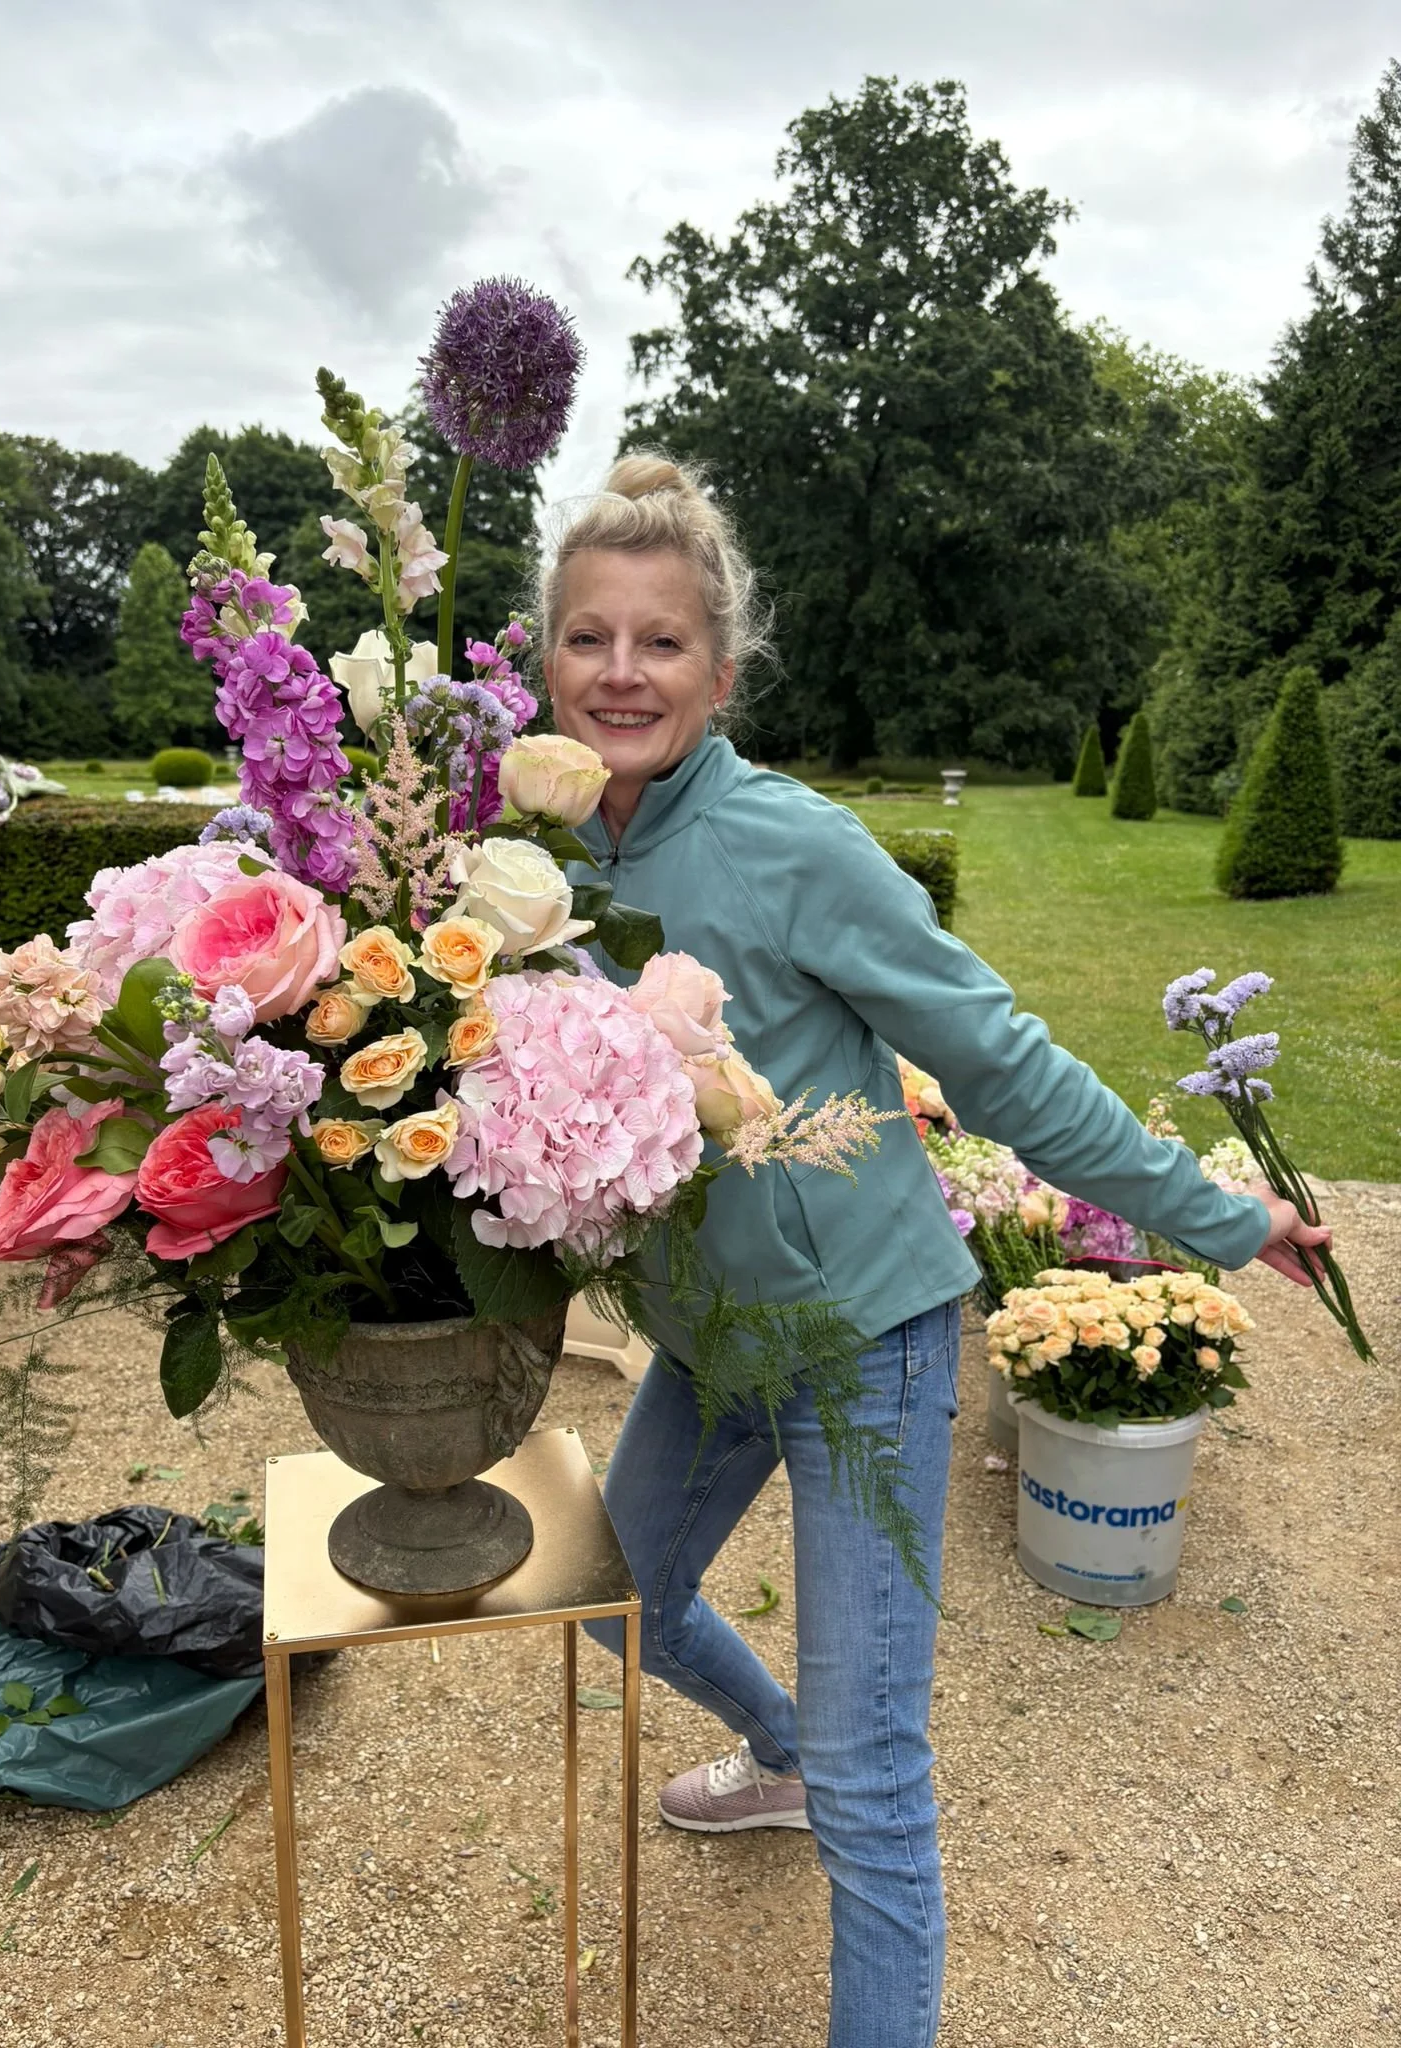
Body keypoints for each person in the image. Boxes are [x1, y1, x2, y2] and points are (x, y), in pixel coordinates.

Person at [539, 454, 1332, 2048]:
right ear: (545, 655)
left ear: (723, 667)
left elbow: (1003, 1063)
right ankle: (777, 1755)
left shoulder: (796, 845)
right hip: (705, 1339)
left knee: (878, 1780)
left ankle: (820, 1773)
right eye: (587, 638)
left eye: (661, 642)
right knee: (606, 1596)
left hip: (864, 1342)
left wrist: (1220, 1214)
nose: (621, 672)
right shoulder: (543, 853)